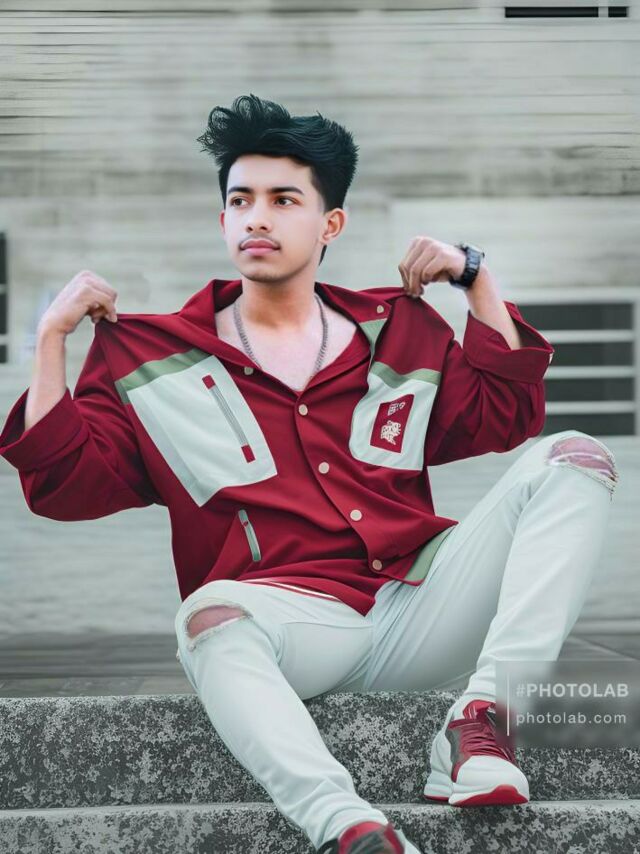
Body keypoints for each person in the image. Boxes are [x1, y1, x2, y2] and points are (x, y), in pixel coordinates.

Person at [0, 94, 619, 854]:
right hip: (290, 626)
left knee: (574, 456)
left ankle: (481, 723)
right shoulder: (149, 357)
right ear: (222, 221)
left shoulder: (400, 328)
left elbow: (505, 414)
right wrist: (51, 340)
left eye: (283, 200)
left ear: (330, 224)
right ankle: (348, 828)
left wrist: (475, 280)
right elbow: (63, 486)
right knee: (208, 618)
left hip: (423, 605)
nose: (256, 218)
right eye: (240, 201)